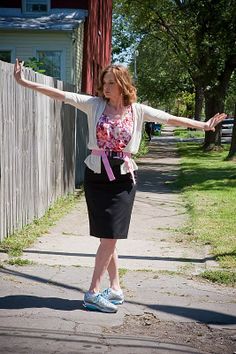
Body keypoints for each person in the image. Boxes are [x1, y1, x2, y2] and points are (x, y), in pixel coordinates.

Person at [14, 59, 226, 313]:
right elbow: (61, 95)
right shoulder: (94, 105)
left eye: (111, 83)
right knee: (108, 237)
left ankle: (92, 292)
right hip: (96, 175)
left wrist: (203, 125)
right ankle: (114, 288)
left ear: (123, 84)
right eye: (104, 82)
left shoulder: (137, 110)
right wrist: (23, 82)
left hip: (123, 177)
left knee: (111, 236)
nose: (106, 87)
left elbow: (170, 119)